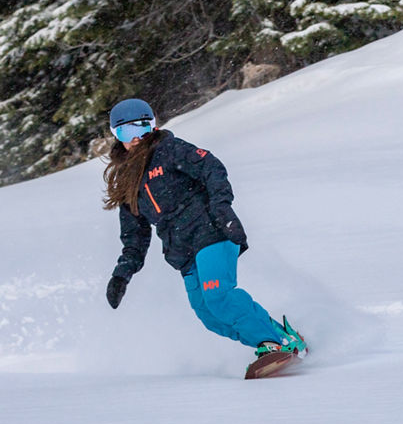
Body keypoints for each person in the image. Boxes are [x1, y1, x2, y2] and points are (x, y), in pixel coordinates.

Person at [102, 98, 306, 356]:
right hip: (182, 251)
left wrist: (222, 208)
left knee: (219, 297)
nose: (135, 138)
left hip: (211, 231)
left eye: (141, 128)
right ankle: (281, 339)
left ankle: (273, 343)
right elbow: (134, 236)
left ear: (153, 127)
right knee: (209, 316)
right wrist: (122, 274)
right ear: (116, 136)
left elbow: (211, 167)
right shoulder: (127, 181)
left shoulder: (169, 149)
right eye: (126, 132)